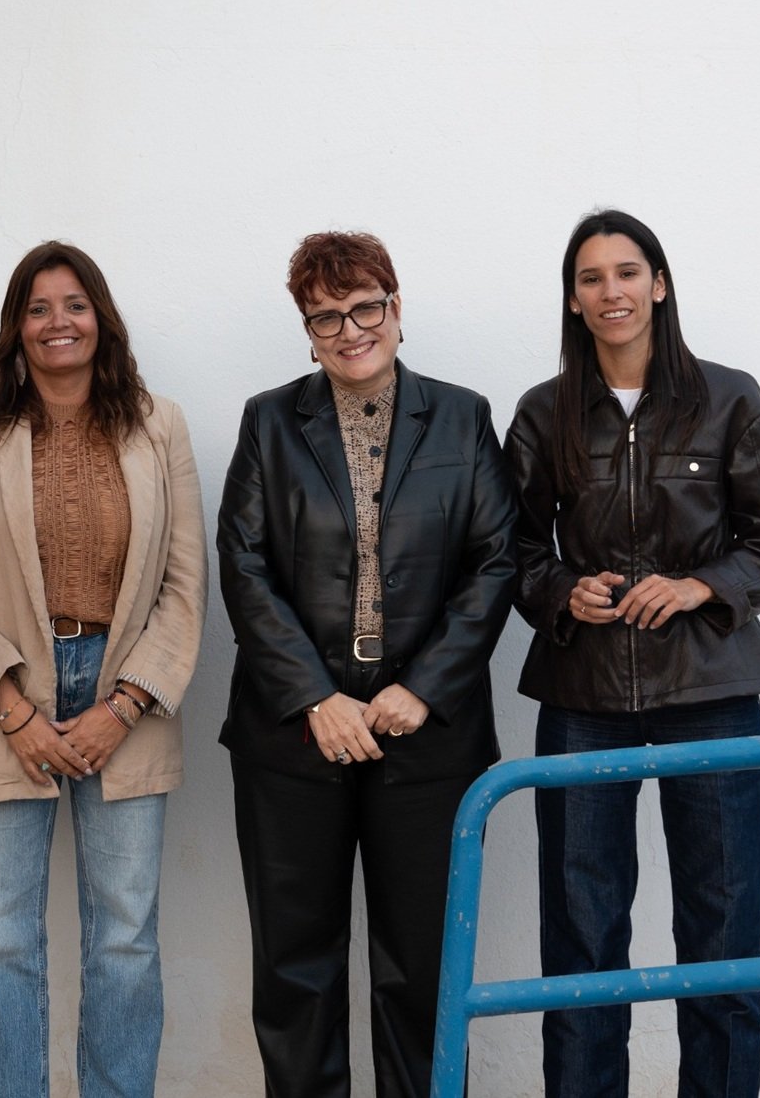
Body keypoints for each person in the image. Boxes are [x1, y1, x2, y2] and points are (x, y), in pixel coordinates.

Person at [504, 209, 760, 1098]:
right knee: (583, 943)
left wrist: (697, 586)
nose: (612, 292)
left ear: (660, 284)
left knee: (720, 939)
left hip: (713, 690)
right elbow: (511, 551)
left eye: (628, 273)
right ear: (573, 298)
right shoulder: (544, 412)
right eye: (592, 278)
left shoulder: (728, 397)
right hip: (582, 701)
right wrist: (566, 591)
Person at [216, 230, 519, 1098]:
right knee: (295, 969)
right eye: (326, 317)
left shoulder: (462, 415)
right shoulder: (270, 420)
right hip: (295, 740)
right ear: (306, 330)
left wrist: (422, 688)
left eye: (365, 308)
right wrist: (315, 697)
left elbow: (496, 559)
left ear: (396, 307)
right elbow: (244, 562)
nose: (350, 330)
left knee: (420, 970)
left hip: (426, 739)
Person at [0, 241, 207, 1098]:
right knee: (1, 938)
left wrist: (123, 705)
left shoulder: (160, 424)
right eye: (39, 308)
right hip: (2, 700)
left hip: (129, 694)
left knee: (124, 934)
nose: (58, 322)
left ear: (102, 318)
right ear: (16, 328)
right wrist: (12, 706)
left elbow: (187, 586)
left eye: (74, 304)